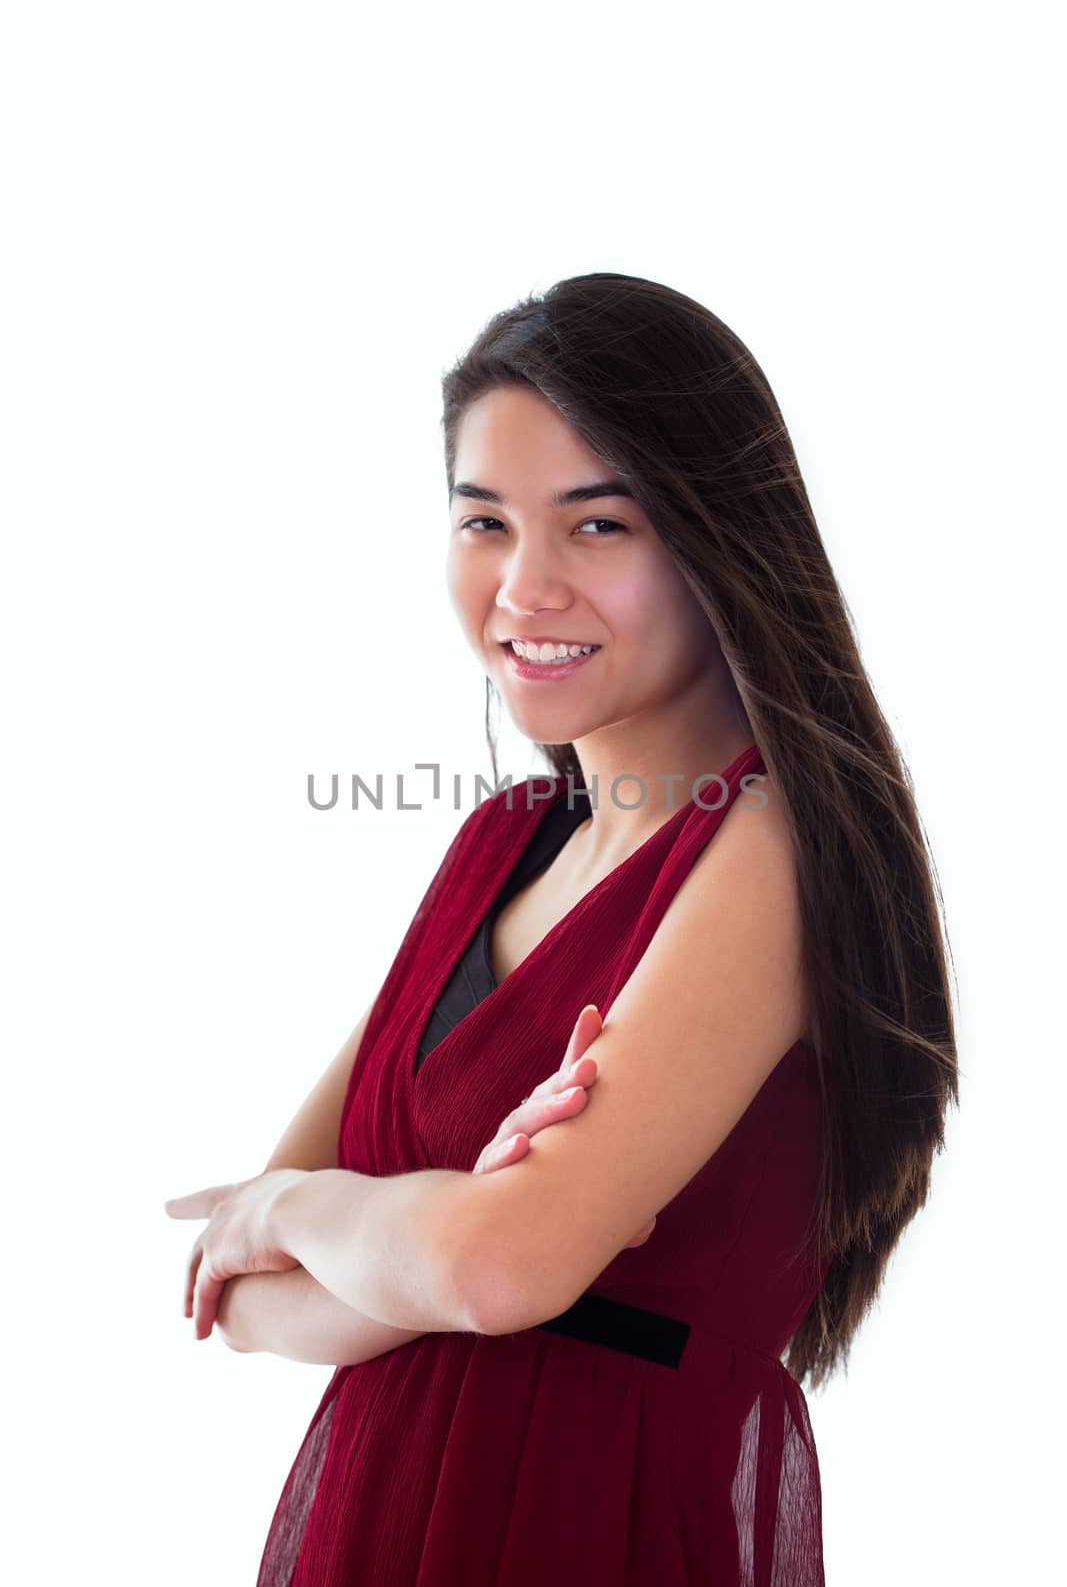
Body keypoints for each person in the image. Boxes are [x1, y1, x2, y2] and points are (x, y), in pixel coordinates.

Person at [165, 273, 959, 1585]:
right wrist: (450, 1230)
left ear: (716, 536)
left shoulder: (764, 853)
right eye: (485, 521)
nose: (523, 586)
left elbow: (492, 1276)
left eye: (598, 526)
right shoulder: (495, 848)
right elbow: (242, 1302)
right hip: (379, 1522)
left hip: (597, 1529)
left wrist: (310, 1207)